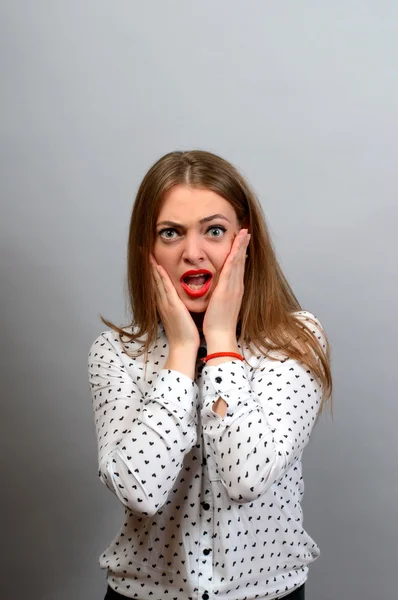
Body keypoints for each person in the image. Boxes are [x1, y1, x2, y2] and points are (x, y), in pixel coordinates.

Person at [87, 150, 332, 600]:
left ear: (244, 242)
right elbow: (140, 490)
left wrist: (220, 341)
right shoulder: (117, 353)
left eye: (214, 231)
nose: (192, 252)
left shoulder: (294, 342)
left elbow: (245, 479)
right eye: (171, 233)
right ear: (148, 251)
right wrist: (181, 352)